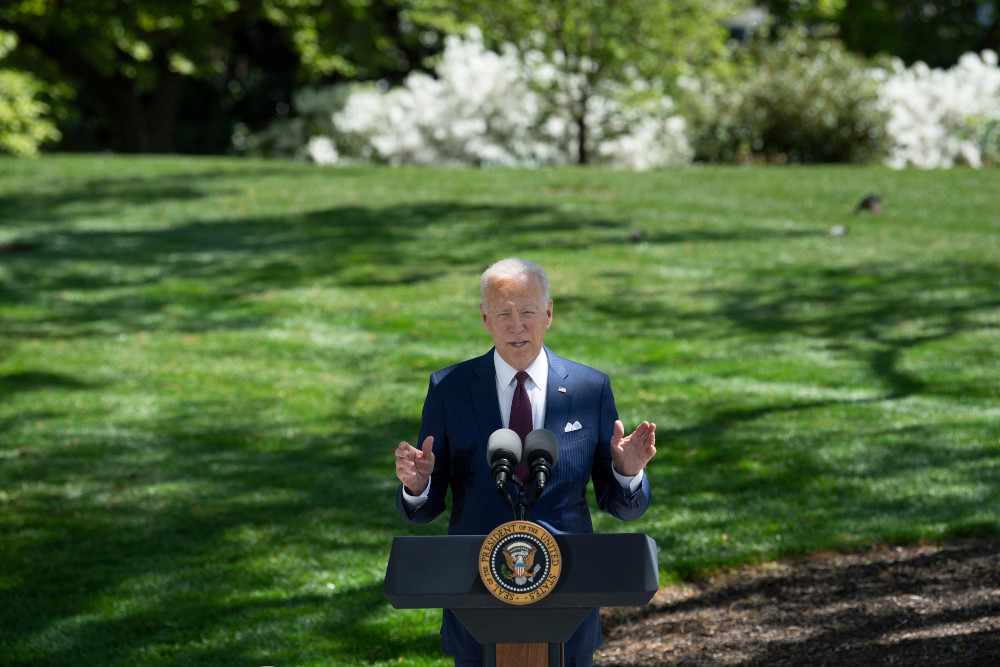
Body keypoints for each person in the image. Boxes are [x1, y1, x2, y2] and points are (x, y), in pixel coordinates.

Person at [394, 257, 657, 667]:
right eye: (504, 313)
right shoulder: (450, 389)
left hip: (568, 598)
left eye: (529, 312)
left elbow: (622, 506)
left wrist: (627, 472)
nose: (517, 325)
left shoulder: (591, 388)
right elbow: (424, 510)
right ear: (485, 319)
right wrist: (417, 487)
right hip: (477, 601)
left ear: (549, 313)